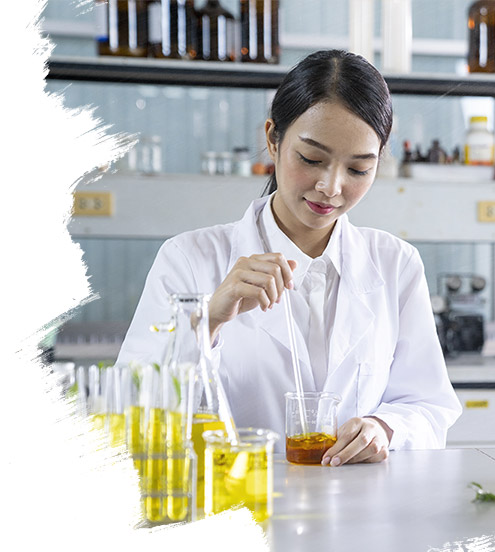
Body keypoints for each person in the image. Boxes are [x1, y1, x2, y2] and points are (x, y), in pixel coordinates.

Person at [117, 49, 462, 465]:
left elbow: (428, 406)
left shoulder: (395, 263)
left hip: (357, 512)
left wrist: (385, 428)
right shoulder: (189, 259)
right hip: (234, 506)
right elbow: (130, 410)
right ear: (273, 139)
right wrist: (207, 320)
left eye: (357, 170)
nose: (331, 187)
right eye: (311, 159)